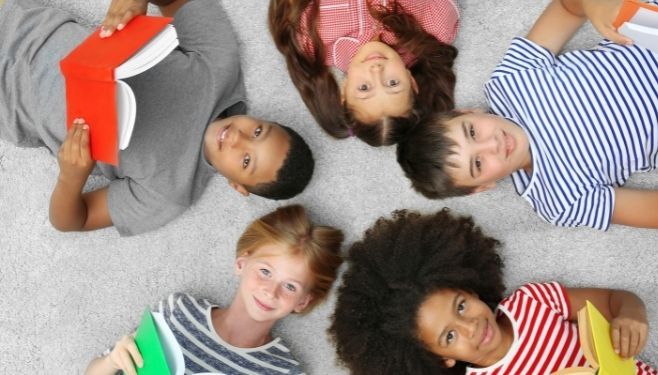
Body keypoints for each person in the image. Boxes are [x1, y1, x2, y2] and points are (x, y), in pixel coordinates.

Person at [0, 0, 315, 237]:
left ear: (238, 186)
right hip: (27, 25)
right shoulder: (219, 67)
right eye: (258, 131)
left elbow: (71, 221)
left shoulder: (168, 195)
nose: (238, 139)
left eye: (246, 161)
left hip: (10, 103)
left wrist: (72, 176)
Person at [396, 0, 658, 230]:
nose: (493, 144)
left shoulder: (509, 82)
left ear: (469, 112)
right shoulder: (558, 201)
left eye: (472, 132)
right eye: (478, 163)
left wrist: (594, 6)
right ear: (482, 188)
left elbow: (568, 7)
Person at [329, 209, 658, 374]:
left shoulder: (531, 302)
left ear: (467, 287)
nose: (471, 326)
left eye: (460, 307)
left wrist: (632, 314)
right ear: (442, 359)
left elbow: (616, 300)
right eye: (449, 337)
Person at [85, 204, 344, 375]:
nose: (270, 291)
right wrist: (112, 362)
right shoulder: (179, 311)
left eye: (290, 286)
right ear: (241, 264)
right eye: (265, 271)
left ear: (303, 302)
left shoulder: (284, 370)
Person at [268, 0, 459, 146]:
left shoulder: (310, 40)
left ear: (344, 93)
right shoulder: (434, 29)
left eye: (364, 88)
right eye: (393, 83)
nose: (376, 71)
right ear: (412, 82)